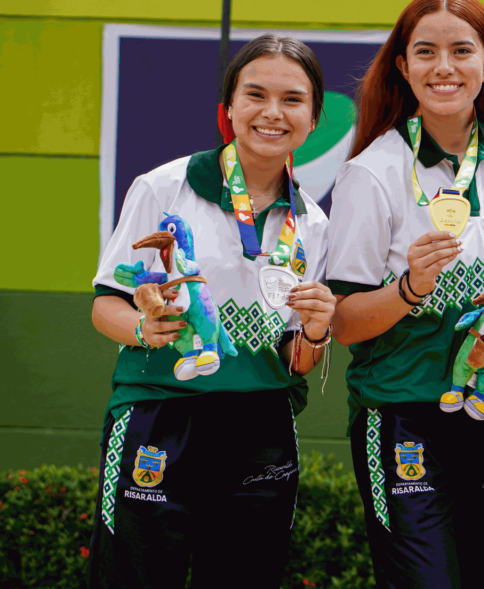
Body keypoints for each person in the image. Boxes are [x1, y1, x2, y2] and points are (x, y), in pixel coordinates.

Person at [88, 35, 335, 588]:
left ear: (314, 118)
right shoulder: (164, 188)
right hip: (160, 414)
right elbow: (107, 305)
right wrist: (146, 329)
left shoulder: (314, 224)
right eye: (256, 95)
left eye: (293, 100)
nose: (273, 113)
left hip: (260, 424)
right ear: (228, 109)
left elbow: (296, 358)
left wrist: (318, 332)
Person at [327, 0, 484, 589]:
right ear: (403, 65)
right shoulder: (372, 173)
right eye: (426, 51)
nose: (444, 67)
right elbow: (341, 323)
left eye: (461, 50)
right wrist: (410, 288)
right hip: (399, 414)